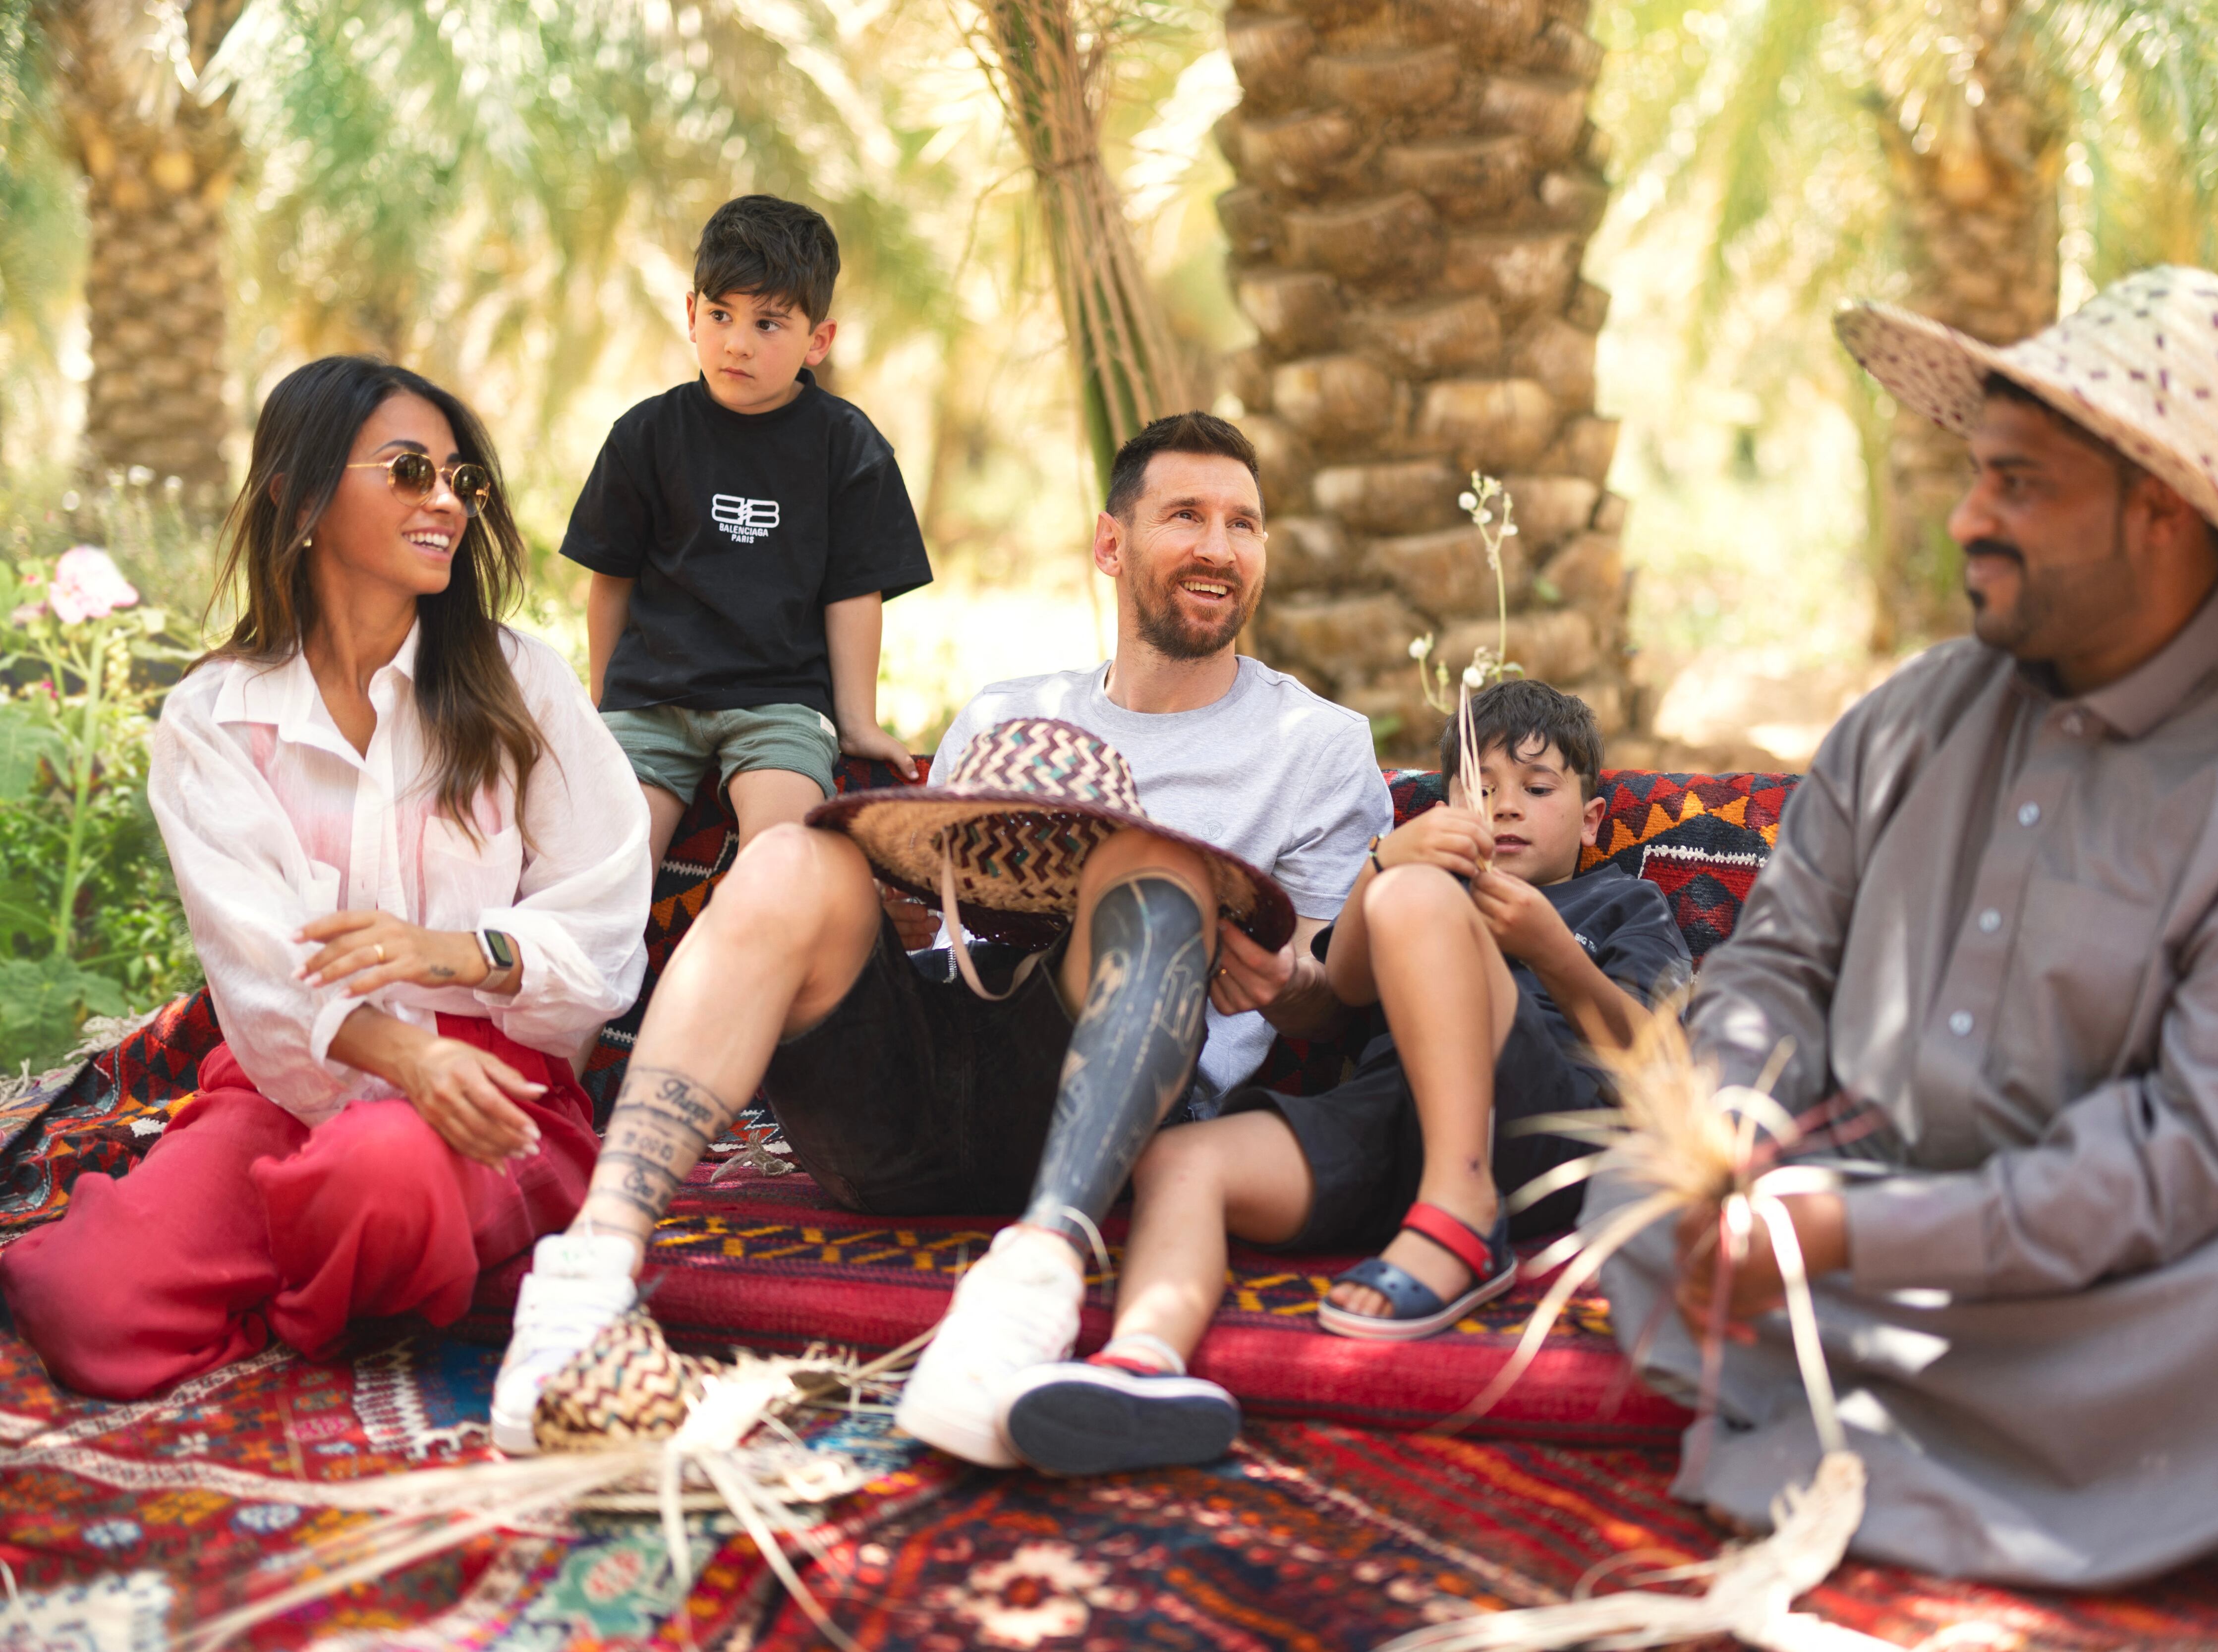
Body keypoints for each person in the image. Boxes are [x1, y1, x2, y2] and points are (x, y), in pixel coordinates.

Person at [1587, 267, 2218, 1645]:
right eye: (1975, 474)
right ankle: (2098, 1466)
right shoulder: (1907, 721)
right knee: (1631, 1202)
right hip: (1897, 1223)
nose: (1965, 518)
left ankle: (1908, 1417)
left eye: (2019, 483)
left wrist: (1843, 1232)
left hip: (2188, 1271)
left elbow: (2187, 1161)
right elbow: (1775, 966)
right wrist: (1737, 1130)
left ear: (2162, 511)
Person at [488, 411, 1395, 1464]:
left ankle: (1024, 1301)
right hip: (899, 1103)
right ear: (1111, 544)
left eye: (1244, 523)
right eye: (1184, 515)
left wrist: (1282, 981)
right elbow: (918, 921)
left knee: (1159, 866)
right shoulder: (1007, 713)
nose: (1218, 546)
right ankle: (587, 1279)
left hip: (1113, 1122)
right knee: (791, 855)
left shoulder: (1318, 746)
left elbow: (1337, 993)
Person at [0, 357, 653, 1400]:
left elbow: (609, 909)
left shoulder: (519, 679)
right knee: (86, 1306)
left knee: (383, 1172)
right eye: (407, 470)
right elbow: (256, 965)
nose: (446, 500)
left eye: (462, 479)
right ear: (298, 496)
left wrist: (461, 953)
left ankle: (313, 1289)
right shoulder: (215, 717)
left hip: (490, 1089)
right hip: (289, 1085)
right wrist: (395, 1052)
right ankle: (356, 1276)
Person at [995, 680, 1692, 1475]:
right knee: (1180, 1161)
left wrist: (1552, 947)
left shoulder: (1620, 901)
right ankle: (1141, 1363)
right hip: (1390, 1120)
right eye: (1481, 789)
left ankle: (1464, 1214)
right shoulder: (1420, 883)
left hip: (1541, 1130)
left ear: (1593, 818)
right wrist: (1383, 866)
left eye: (1536, 790)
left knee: (1420, 897)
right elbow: (1349, 985)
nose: (1505, 809)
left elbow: (1660, 1065)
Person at [563, 193, 932, 871]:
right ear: (691, 314)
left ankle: (745, 966)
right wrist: (600, 701)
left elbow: (854, 594)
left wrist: (857, 720)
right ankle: (602, 978)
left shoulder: (847, 447)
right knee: (607, 865)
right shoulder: (645, 435)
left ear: (817, 340)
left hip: (781, 701)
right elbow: (610, 577)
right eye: (721, 315)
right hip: (651, 698)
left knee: (780, 859)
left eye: (769, 323)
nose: (737, 342)